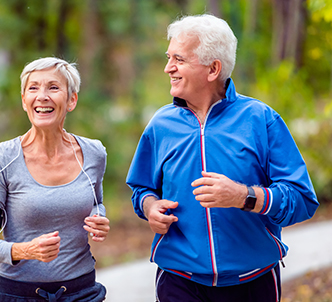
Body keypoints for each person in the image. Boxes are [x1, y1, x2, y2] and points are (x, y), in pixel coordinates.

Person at [126, 14, 319, 302]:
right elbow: (141, 190)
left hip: (253, 280)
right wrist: (150, 207)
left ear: (213, 68)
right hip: (178, 281)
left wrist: (243, 196)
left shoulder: (261, 119)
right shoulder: (160, 125)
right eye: (169, 57)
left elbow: (302, 200)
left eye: (179, 59)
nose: (168, 68)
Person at [0, 57, 109, 302]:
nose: (42, 96)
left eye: (53, 87)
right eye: (33, 88)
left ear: (71, 99)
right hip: (18, 294)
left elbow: (96, 201)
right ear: (24, 101)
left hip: (82, 292)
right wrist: (26, 250)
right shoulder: (4, 157)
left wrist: (99, 217)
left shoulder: (94, 153)